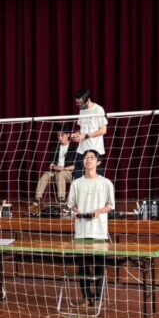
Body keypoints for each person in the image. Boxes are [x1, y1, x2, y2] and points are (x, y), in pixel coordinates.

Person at [67, 149, 115, 305]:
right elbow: (71, 204)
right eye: (86, 157)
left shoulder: (106, 182)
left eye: (92, 157)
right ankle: (87, 298)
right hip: (81, 232)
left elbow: (110, 206)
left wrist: (98, 212)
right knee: (83, 269)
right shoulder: (76, 183)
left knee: (100, 267)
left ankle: (98, 297)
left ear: (98, 162)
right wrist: (76, 211)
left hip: (99, 232)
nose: (89, 160)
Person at [32, 130, 77, 214]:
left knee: (60, 174)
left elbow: (76, 166)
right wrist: (54, 167)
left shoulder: (74, 148)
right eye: (58, 136)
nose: (60, 138)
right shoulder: (55, 148)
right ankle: (36, 201)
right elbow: (50, 164)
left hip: (68, 173)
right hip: (56, 171)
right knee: (45, 175)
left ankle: (62, 201)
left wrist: (63, 169)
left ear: (68, 135)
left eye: (62, 135)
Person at [70, 87, 108, 179]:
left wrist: (86, 136)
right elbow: (83, 130)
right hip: (81, 149)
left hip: (95, 149)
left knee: (98, 178)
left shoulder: (98, 109)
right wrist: (77, 134)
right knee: (78, 177)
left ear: (88, 100)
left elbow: (103, 130)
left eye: (81, 103)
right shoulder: (81, 111)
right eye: (77, 103)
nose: (79, 105)